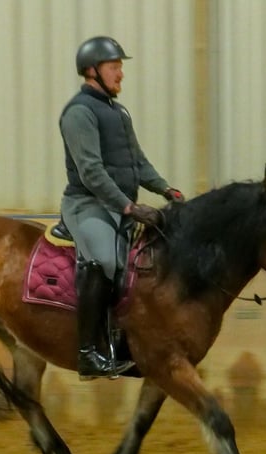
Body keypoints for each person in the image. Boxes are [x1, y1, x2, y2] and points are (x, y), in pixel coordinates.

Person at [59, 35, 185, 380]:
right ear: (91, 71)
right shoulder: (78, 113)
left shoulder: (119, 112)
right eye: (115, 67)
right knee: (105, 260)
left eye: (120, 68)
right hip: (87, 204)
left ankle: (126, 338)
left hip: (119, 205)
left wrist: (165, 188)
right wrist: (129, 207)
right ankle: (88, 353)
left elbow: (137, 163)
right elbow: (91, 172)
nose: (121, 74)